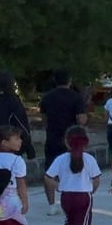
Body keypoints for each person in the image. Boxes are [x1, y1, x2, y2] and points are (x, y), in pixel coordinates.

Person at [45, 125, 100, 225]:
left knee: (70, 221)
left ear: (66, 141)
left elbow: (48, 177)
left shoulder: (60, 159)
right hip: (84, 196)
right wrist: (93, 190)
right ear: (86, 142)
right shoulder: (89, 159)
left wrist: (58, 186)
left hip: (66, 196)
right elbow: (96, 179)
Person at [39, 70, 87, 216]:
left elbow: (43, 118)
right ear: (69, 80)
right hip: (72, 139)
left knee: (50, 171)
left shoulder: (47, 97)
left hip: (52, 137)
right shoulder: (76, 97)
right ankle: (73, 201)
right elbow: (81, 119)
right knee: (75, 169)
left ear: (55, 80)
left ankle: (52, 205)